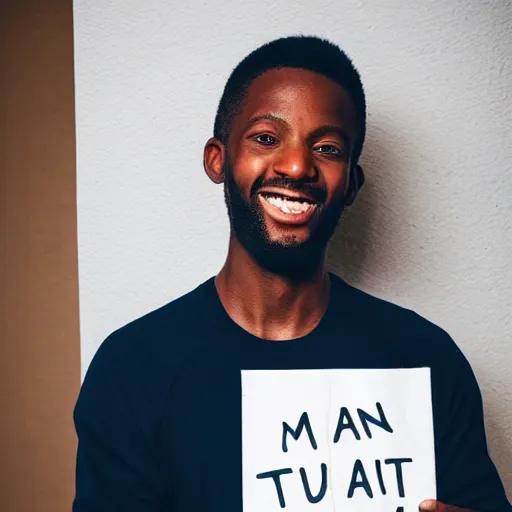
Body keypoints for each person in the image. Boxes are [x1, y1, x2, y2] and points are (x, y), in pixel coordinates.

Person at [72, 36, 510, 512]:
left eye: (326, 148)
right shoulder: (132, 370)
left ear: (351, 185)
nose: (297, 165)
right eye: (266, 138)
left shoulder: (427, 360)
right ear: (219, 159)